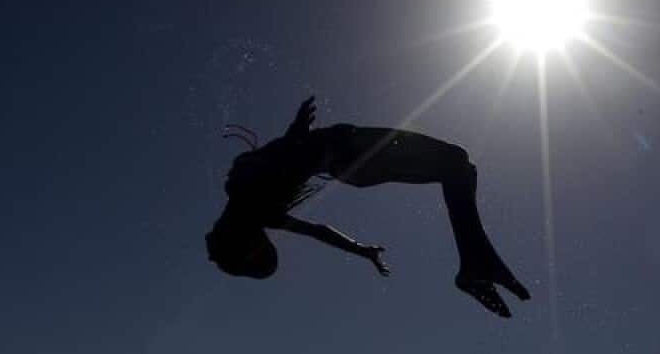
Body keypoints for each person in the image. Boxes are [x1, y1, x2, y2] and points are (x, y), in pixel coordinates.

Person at [206, 97, 530, 318]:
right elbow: (313, 223)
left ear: (247, 247)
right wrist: (362, 251)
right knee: (456, 162)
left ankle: (474, 265)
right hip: (352, 152)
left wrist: (363, 251)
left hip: (353, 166)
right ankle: (474, 264)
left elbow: (288, 181)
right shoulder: (252, 205)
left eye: (263, 249)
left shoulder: (250, 202)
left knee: (460, 169)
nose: (266, 241)